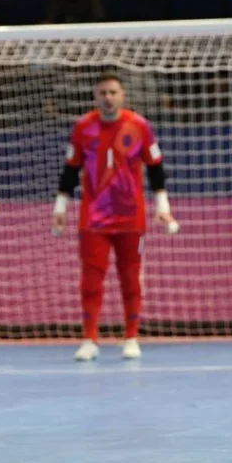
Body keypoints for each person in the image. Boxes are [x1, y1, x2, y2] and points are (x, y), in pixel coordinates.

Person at [52, 71, 178, 361]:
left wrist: (163, 207)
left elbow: (155, 167)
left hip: (131, 217)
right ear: (95, 97)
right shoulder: (83, 128)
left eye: (113, 92)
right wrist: (60, 210)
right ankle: (89, 340)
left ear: (122, 95)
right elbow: (70, 171)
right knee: (91, 280)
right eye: (102, 93)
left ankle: (131, 337)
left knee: (130, 277)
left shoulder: (140, 126)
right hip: (93, 217)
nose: (108, 97)